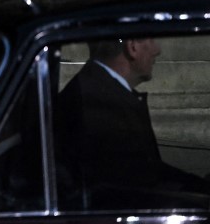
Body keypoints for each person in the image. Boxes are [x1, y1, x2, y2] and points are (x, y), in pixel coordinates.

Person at [56, 38, 210, 209]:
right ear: (132, 47)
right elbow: (136, 188)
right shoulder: (98, 105)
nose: (157, 50)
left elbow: (149, 170)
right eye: (151, 40)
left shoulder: (102, 91)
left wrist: (199, 187)